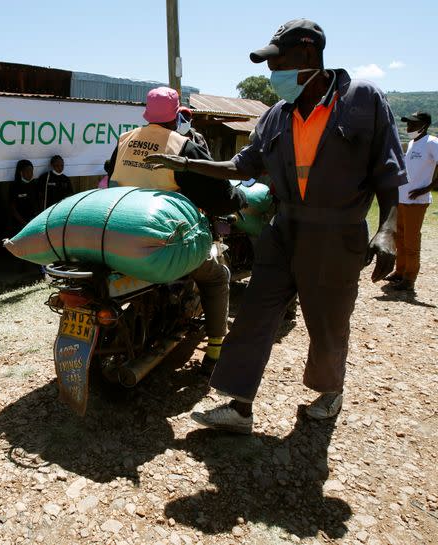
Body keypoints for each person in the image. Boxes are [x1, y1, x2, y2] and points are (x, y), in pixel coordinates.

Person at [145, 19, 406, 433]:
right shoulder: (276, 115)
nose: (273, 74)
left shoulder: (362, 100)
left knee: (327, 321)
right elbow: (240, 166)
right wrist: (185, 162)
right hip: (285, 230)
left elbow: (389, 172)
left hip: (337, 234)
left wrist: (389, 229)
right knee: (255, 313)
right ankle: (239, 407)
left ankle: (329, 391)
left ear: (308, 55)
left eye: (278, 62)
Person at [107, 86, 247, 373]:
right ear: (176, 117)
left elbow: (112, 172)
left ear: (146, 113)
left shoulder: (124, 140)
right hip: (162, 239)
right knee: (218, 276)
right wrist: (238, 199)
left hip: (117, 231)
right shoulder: (182, 147)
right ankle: (215, 352)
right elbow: (218, 194)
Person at [386, 111, 438, 291]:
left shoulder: (432, 142)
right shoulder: (413, 144)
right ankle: (400, 271)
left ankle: (409, 278)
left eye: (413, 124)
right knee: (399, 238)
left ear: (424, 125)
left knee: (411, 241)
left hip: (417, 201)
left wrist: (425, 189)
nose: (408, 127)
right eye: (408, 123)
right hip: (402, 198)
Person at [8, 159, 38, 231]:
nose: (30, 174)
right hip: (20, 224)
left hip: (34, 222)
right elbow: (12, 208)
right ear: (20, 172)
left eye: (31, 171)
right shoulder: (14, 186)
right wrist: (24, 223)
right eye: (27, 171)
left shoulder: (34, 184)